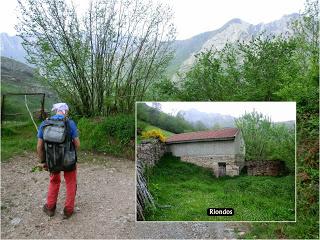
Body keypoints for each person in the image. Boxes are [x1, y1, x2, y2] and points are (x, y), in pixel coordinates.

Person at [37, 103, 80, 218]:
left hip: (52, 160)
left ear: (56, 111)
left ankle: (50, 208)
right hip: (68, 160)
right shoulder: (70, 123)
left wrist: (43, 161)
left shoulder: (45, 123)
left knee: (54, 181)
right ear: (65, 111)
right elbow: (77, 144)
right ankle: (68, 210)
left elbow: (39, 147)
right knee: (71, 182)